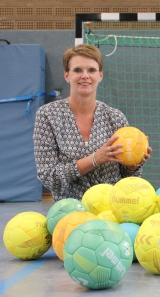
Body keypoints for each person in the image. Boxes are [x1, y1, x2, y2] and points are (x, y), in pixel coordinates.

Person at [33, 44, 152, 201]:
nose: (85, 76)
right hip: (71, 212)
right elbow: (48, 176)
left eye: (91, 70)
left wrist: (133, 165)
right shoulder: (48, 116)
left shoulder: (115, 118)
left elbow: (127, 177)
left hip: (111, 210)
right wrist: (94, 159)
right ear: (66, 75)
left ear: (100, 75)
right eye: (77, 70)